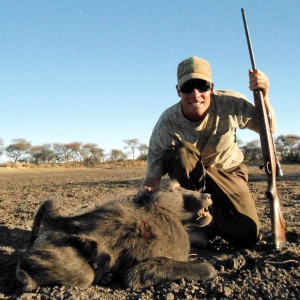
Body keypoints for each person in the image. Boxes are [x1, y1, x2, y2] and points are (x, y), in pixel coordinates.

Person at [139, 56, 275, 249]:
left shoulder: (231, 102)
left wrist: (264, 95)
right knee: (181, 154)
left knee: (247, 236)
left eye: (202, 86)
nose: (195, 94)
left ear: (211, 88)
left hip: (228, 173)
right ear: (178, 91)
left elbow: (268, 127)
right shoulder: (167, 122)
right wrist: (140, 211)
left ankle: (209, 226)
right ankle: (198, 216)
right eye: (187, 87)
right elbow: (151, 180)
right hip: (192, 182)